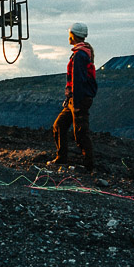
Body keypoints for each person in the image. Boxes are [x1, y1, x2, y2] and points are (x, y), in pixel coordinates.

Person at [49, 22, 97, 172]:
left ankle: (88, 166)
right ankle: (61, 158)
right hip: (75, 99)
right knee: (59, 125)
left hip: (78, 100)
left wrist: (76, 103)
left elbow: (78, 80)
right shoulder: (81, 53)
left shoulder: (80, 55)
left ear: (73, 35)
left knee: (81, 133)